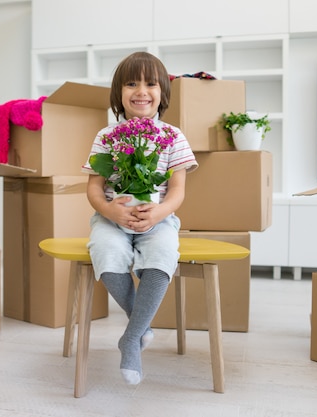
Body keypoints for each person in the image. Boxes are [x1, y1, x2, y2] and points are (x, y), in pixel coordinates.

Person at [80, 52, 198, 385]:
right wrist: (109, 210)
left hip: (158, 219)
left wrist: (159, 212)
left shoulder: (173, 137)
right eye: (131, 83)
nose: (141, 91)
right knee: (105, 249)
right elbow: (93, 189)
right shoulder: (107, 136)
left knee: (162, 254)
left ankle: (130, 338)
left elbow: (177, 191)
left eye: (150, 83)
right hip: (111, 218)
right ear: (118, 93)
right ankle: (140, 326)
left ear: (163, 93)